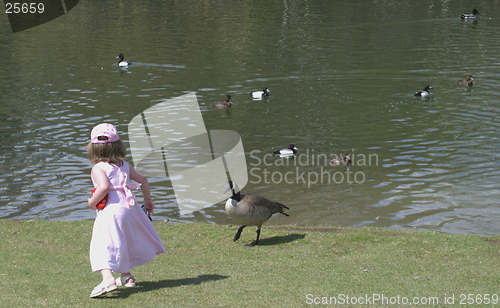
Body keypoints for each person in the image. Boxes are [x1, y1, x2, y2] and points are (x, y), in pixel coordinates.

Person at [86, 123, 165, 298]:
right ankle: (126, 276)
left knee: (102, 244)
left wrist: (92, 203)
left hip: (111, 211)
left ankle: (107, 279)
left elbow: (104, 187)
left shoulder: (98, 168)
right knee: (123, 240)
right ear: (118, 146)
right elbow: (143, 180)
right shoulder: (124, 165)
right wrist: (148, 200)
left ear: (93, 149)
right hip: (130, 208)